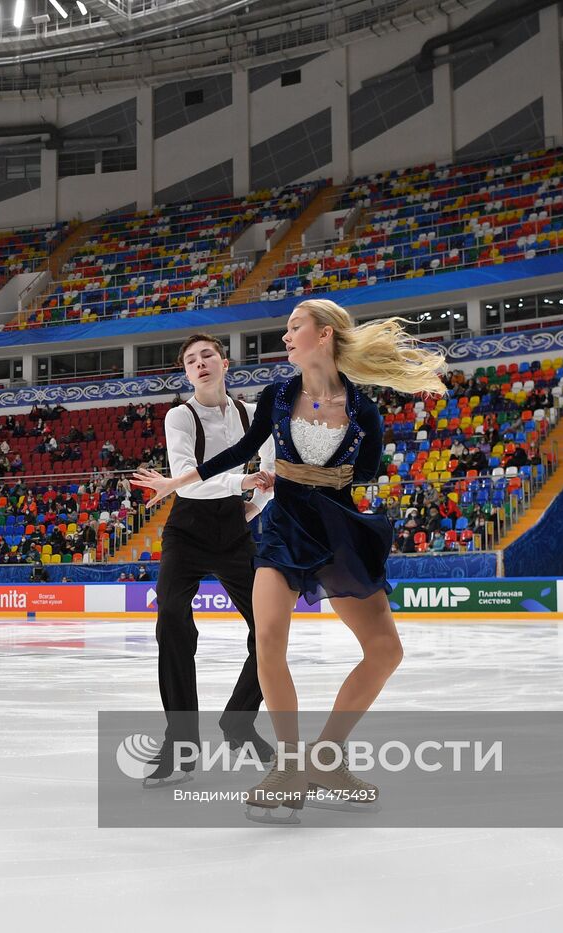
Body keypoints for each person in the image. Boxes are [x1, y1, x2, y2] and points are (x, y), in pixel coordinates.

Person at [133, 299, 446, 824]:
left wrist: (319, 479)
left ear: (323, 335)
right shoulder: (275, 396)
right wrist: (175, 483)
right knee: (264, 636)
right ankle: (284, 764)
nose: (284, 338)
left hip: (335, 528)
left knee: (385, 649)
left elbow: (365, 472)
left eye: (293, 327)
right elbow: (237, 457)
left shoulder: (363, 408)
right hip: (274, 530)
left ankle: (325, 759)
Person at [139, 333, 279, 789]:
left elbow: (272, 472)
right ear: (186, 372)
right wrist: (241, 483)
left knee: (270, 628)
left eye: (207, 356)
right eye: (190, 361)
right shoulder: (179, 416)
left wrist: (251, 506)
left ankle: (238, 721)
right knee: (172, 621)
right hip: (188, 529)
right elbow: (185, 482)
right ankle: (181, 742)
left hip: (234, 529)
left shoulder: (253, 415)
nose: (199, 364)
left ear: (224, 362)